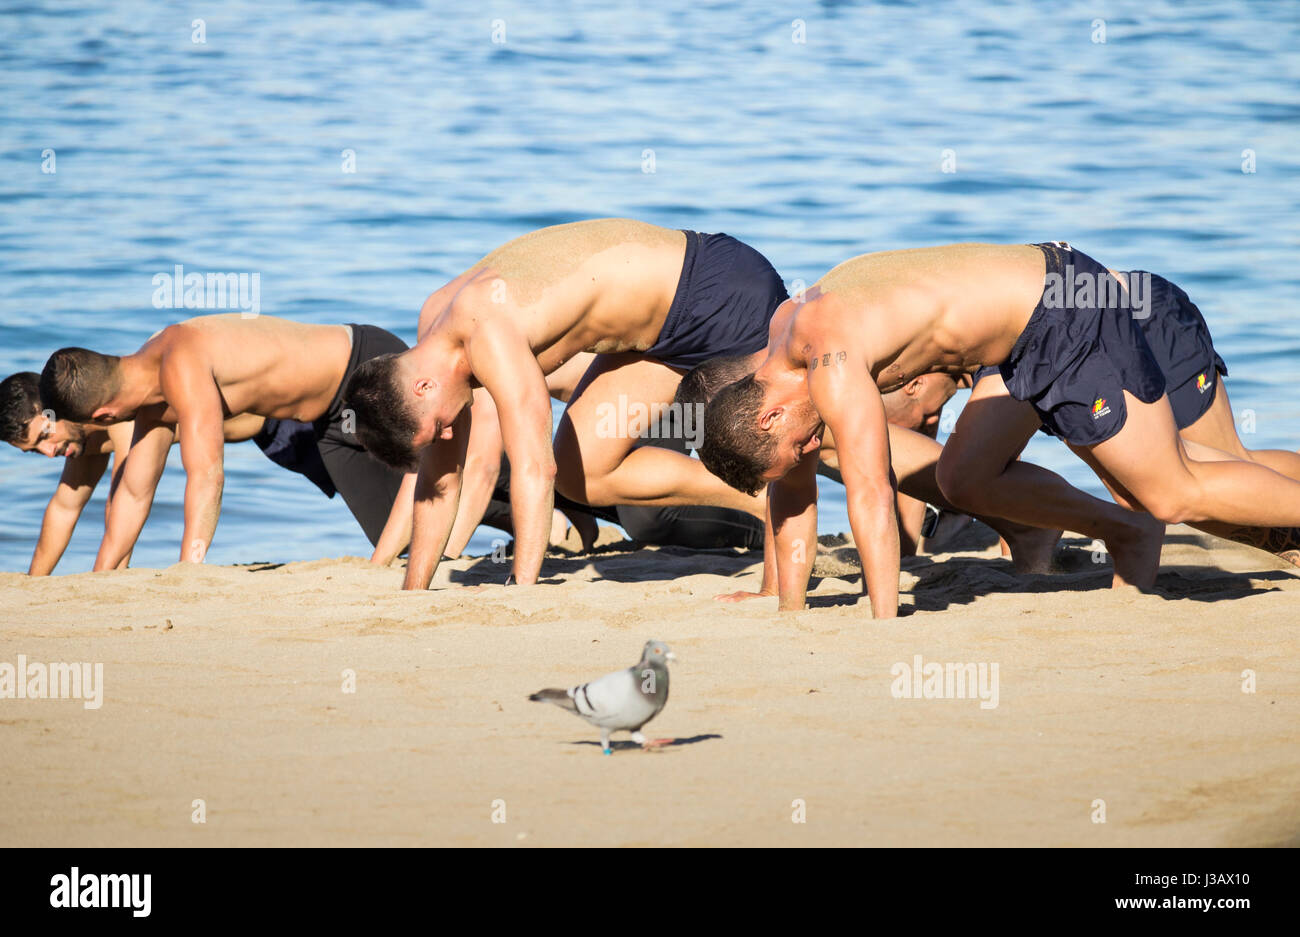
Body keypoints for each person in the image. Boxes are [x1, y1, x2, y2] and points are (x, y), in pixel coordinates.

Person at [698, 242, 1300, 617]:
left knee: (1172, 492)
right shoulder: (782, 346)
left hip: (1064, 310)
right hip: (1022, 335)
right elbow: (794, 490)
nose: (811, 448)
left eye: (799, 445)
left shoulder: (823, 354)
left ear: (768, 414)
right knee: (963, 478)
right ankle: (1127, 534)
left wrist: (882, 622)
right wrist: (786, 604)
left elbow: (871, 489)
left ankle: (1146, 521)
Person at [343, 218, 788, 590]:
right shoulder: (434, 329)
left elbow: (535, 469)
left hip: (719, 292)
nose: (447, 434)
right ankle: (758, 496)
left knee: (802, 432)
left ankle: (815, 486)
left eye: (436, 426)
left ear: (421, 387)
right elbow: (439, 480)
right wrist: (412, 591)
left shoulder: (488, 331)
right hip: (655, 338)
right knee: (580, 474)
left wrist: (522, 589)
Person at [38, 317, 415, 569]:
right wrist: (103, 579)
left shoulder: (180, 362)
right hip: (329, 423)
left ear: (104, 416)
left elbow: (207, 476)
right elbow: (133, 496)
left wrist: (190, 570)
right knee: (398, 540)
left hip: (368, 368)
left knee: (447, 486)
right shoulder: (150, 393)